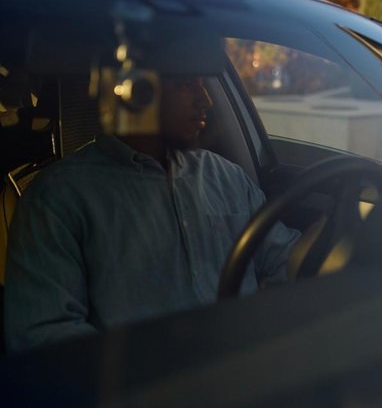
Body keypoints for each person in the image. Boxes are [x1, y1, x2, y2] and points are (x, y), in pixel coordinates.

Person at [4, 75, 300, 352]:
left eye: (202, 83)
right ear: (136, 91)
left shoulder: (226, 175)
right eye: (185, 83)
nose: (206, 99)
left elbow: (286, 259)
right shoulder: (58, 197)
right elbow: (44, 335)